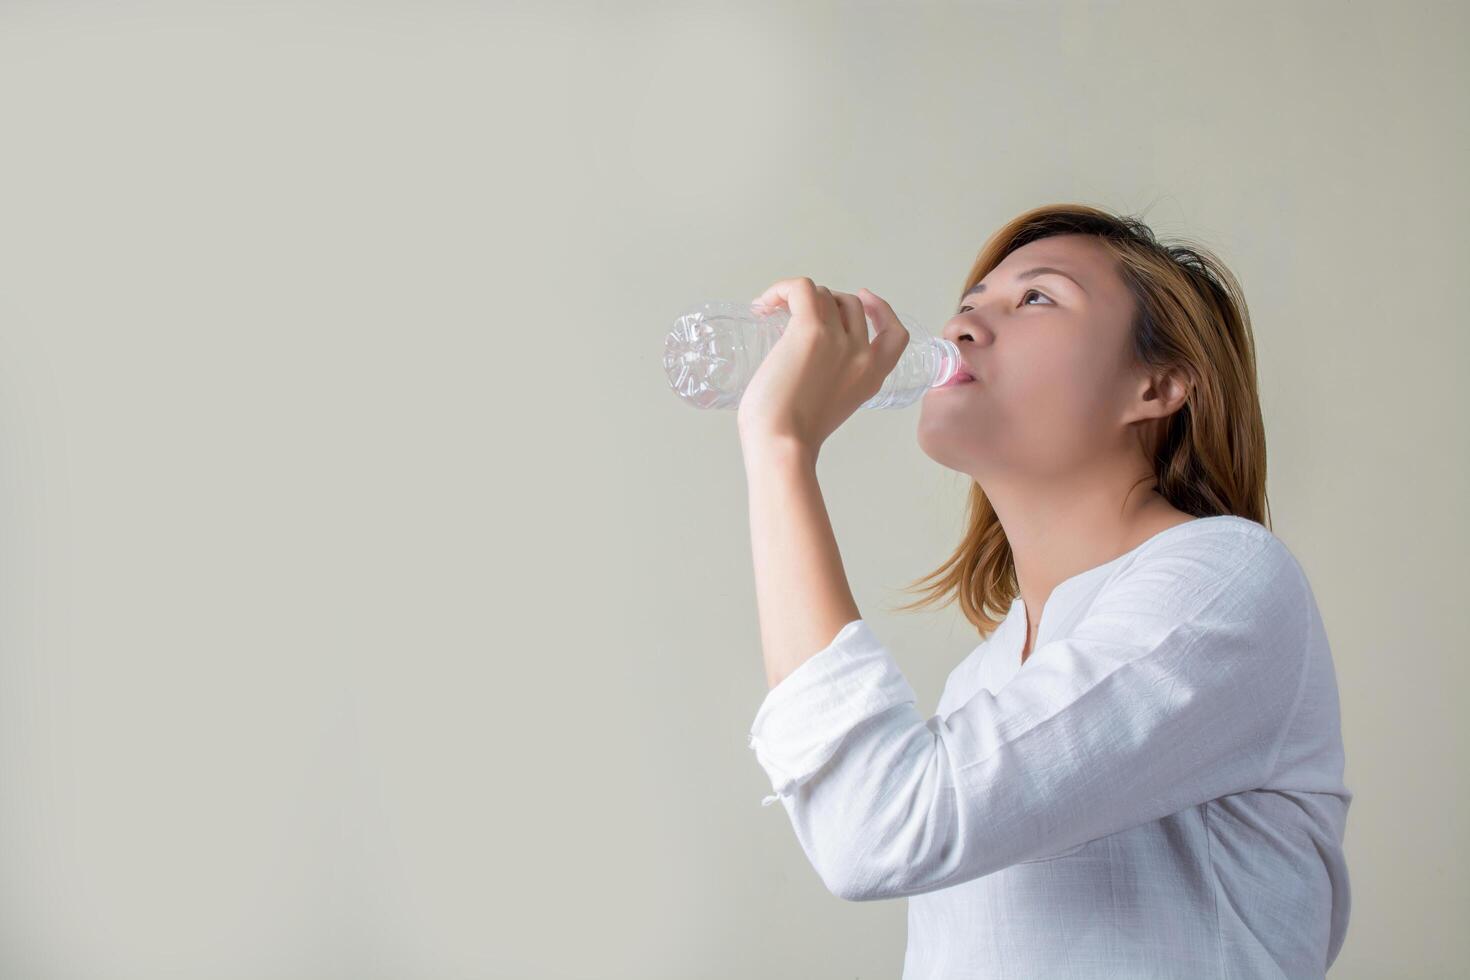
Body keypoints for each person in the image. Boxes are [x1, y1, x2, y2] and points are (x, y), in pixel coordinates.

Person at [738, 203, 1351, 978]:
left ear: (1157, 384)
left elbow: (876, 827)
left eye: (1036, 298)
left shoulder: (1226, 581)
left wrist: (782, 450)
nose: (964, 327)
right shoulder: (981, 685)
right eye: (969, 303)